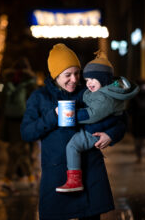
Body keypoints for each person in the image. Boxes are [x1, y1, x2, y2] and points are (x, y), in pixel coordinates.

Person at [21, 43, 127, 220]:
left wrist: (111, 135)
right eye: (67, 75)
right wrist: (53, 116)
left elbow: (121, 119)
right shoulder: (40, 97)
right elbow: (27, 132)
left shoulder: (90, 92)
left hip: (91, 172)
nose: (74, 79)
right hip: (58, 176)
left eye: (77, 73)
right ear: (55, 75)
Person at [56, 51, 139, 192]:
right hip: (95, 128)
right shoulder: (105, 91)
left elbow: (92, 114)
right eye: (87, 80)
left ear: (104, 79)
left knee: (72, 146)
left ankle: (74, 180)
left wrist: (69, 115)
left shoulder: (105, 97)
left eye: (93, 79)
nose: (89, 84)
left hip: (94, 131)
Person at [1, 56, 37, 189]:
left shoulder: (8, 79)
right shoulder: (30, 80)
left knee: (16, 149)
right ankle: (27, 177)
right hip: (25, 119)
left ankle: (11, 178)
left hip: (10, 120)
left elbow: (1, 101)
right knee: (21, 150)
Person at [127, 79, 145, 165]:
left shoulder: (134, 96)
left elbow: (129, 111)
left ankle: (139, 157)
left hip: (137, 122)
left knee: (138, 141)